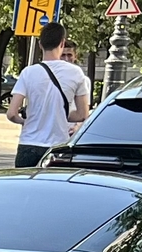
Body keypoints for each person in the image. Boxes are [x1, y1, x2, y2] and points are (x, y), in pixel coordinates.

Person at [5, 22, 89, 167]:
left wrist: (26, 121)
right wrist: (59, 114)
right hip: (58, 147)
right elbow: (83, 115)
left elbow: (12, 113)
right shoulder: (76, 73)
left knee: (25, 188)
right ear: (62, 43)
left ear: (40, 45)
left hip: (29, 145)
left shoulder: (28, 72)